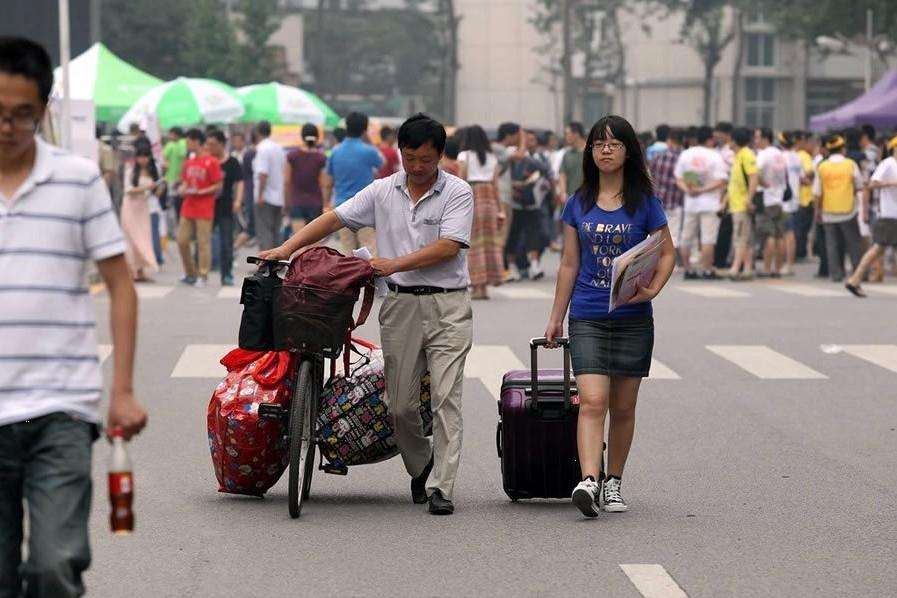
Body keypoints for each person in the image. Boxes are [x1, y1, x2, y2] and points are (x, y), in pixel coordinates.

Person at [258, 114, 473, 516]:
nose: (417, 167)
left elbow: (449, 247)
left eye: (425, 159)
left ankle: (443, 486)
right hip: (401, 306)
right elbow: (334, 218)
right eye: (409, 158)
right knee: (400, 406)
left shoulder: (458, 192)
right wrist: (287, 249)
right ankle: (422, 463)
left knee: (446, 397)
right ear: (399, 153)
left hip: (448, 305)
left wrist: (394, 263)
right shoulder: (382, 191)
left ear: (440, 156)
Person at [0, 36, 147, 598]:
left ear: (43, 111)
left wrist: (125, 390)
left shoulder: (77, 180)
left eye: (23, 115)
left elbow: (119, 284)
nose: (10, 127)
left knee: (53, 566)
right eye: (0, 114)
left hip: (61, 408)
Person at [543, 115, 675, 518]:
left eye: (614, 143)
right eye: (598, 143)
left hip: (633, 318)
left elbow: (667, 252)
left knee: (624, 406)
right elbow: (569, 263)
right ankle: (589, 479)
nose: (605, 149)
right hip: (588, 315)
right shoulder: (578, 203)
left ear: (628, 151)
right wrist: (556, 317)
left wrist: (653, 288)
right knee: (592, 401)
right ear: (590, 152)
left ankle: (613, 481)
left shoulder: (646, 204)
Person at [322, 111, 383, 255]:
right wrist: (368, 141)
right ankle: (370, 277)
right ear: (364, 130)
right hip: (366, 206)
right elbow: (382, 163)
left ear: (347, 127)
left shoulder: (335, 152)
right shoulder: (369, 151)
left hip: (342, 208)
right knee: (368, 248)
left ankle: (350, 277)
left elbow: (328, 182)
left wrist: (326, 203)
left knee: (348, 251)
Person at [845, 134, 897, 297]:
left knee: (878, 249)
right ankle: (854, 279)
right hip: (890, 216)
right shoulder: (888, 164)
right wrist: (891, 183)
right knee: (877, 248)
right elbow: (872, 183)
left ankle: (854, 280)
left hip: (893, 215)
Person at [674, 125, 728, 279]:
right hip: (710, 203)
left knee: (686, 237)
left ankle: (687, 269)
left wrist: (688, 190)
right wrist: (703, 190)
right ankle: (706, 269)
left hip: (691, 203)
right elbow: (721, 181)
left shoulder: (686, 154)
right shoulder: (715, 156)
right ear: (710, 140)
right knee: (707, 239)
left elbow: (679, 178)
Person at [459, 125, 505, 299]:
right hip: (490, 199)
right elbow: (496, 185)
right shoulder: (492, 157)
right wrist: (500, 209)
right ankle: (485, 287)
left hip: (473, 195)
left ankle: (477, 286)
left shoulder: (464, 156)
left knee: (474, 243)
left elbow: (461, 179)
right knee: (489, 244)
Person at [813, 135, 864, 283]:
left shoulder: (822, 166)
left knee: (832, 244)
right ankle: (858, 272)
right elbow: (859, 185)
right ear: (843, 149)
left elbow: (817, 192)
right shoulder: (850, 164)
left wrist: (817, 211)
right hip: (848, 210)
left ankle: (836, 273)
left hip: (828, 211)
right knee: (853, 243)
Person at [177, 128, 222, 288]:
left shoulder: (212, 162)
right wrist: (182, 189)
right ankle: (190, 272)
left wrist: (201, 191)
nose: (187, 145)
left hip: (204, 207)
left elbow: (218, 185)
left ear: (196, 141)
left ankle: (203, 275)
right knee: (181, 240)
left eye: (188, 141)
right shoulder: (188, 162)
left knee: (203, 243)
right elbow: (184, 181)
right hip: (188, 205)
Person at [505, 130, 553, 281]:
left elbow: (547, 172)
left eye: (532, 140)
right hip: (515, 202)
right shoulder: (510, 154)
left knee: (535, 234)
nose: (529, 142)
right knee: (514, 235)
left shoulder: (540, 157)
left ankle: (534, 265)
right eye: (526, 139)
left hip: (535, 202)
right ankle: (512, 267)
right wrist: (514, 185)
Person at [206, 129, 243, 286]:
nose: (210, 147)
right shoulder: (206, 161)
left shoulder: (232, 162)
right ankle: (199, 272)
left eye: (213, 144)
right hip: (206, 206)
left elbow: (240, 182)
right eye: (208, 144)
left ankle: (226, 273)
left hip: (225, 206)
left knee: (226, 241)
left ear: (222, 144)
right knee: (202, 240)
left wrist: (238, 201)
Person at [122, 143, 160, 282]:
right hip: (130, 207)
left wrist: (160, 186)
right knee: (132, 239)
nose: (143, 160)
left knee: (144, 238)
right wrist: (146, 187)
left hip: (143, 208)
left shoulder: (153, 172)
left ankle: (141, 270)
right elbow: (128, 190)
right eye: (140, 157)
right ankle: (132, 271)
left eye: (146, 157)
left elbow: (156, 193)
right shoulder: (130, 171)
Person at [724, 127, 758, 280]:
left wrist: (749, 200)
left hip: (742, 205)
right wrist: (724, 202)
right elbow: (734, 183)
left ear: (735, 141)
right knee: (746, 237)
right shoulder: (738, 156)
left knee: (740, 237)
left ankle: (735, 268)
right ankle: (747, 268)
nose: (728, 143)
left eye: (730, 139)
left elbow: (753, 178)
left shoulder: (746, 155)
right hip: (736, 204)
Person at [754, 128, 788, 277]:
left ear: (764, 138)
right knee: (780, 235)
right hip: (780, 198)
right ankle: (778, 268)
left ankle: (767, 268)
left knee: (769, 235)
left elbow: (756, 173)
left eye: (757, 138)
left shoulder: (763, 154)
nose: (755, 141)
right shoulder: (779, 153)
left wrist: (762, 183)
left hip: (767, 198)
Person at [284, 123, 327, 238]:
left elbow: (287, 181)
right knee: (313, 245)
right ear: (317, 137)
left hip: (297, 202)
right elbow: (323, 183)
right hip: (315, 203)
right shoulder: (321, 158)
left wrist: (286, 203)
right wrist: (326, 204)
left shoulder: (291, 156)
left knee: (298, 242)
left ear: (302, 136)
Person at [251, 120, 286, 251]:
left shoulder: (262, 148)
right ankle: (277, 263)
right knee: (276, 231)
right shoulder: (278, 148)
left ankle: (265, 264)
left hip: (265, 197)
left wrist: (260, 195)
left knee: (264, 231)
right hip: (278, 196)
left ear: (257, 132)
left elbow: (262, 173)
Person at [648, 127, 685, 249]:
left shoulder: (658, 156)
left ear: (669, 140)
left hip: (657, 201)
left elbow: (650, 176)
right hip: (676, 202)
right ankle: (671, 264)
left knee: (654, 235)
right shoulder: (684, 157)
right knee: (673, 235)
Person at [162, 127, 187, 224]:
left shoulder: (176, 144)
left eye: (170, 134)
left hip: (175, 178)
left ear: (175, 134)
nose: (169, 136)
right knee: (177, 202)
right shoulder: (177, 144)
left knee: (175, 203)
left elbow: (164, 157)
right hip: (175, 178)